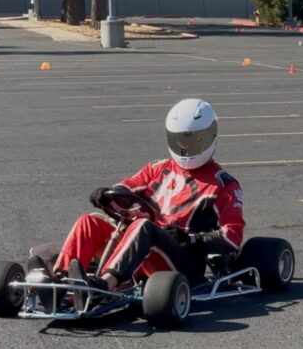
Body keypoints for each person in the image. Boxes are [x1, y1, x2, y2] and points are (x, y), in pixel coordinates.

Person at [27, 98, 245, 311]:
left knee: (143, 227)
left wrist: (191, 239)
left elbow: (232, 237)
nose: (185, 148)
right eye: (180, 140)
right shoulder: (158, 168)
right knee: (89, 221)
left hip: (182, 260)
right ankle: (62, 283)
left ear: (210, 136)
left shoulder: (223, 185)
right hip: (142, 247)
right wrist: (109, 195)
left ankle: (103, 286)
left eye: (193, 140)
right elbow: (129, 187)